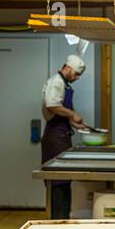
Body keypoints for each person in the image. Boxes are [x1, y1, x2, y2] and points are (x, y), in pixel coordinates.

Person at [41, 54, 87, 219]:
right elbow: (52, 105)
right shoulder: (56, 82)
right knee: (58, 180)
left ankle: (63, 218)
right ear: (67, 68)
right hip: (54, 138)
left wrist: (75, 123)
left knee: (64, 179)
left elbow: (62, 112)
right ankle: (57, 220)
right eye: (75, 74)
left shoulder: (65, 85)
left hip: (62, 135)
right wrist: (72, 114)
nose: (76, 78)